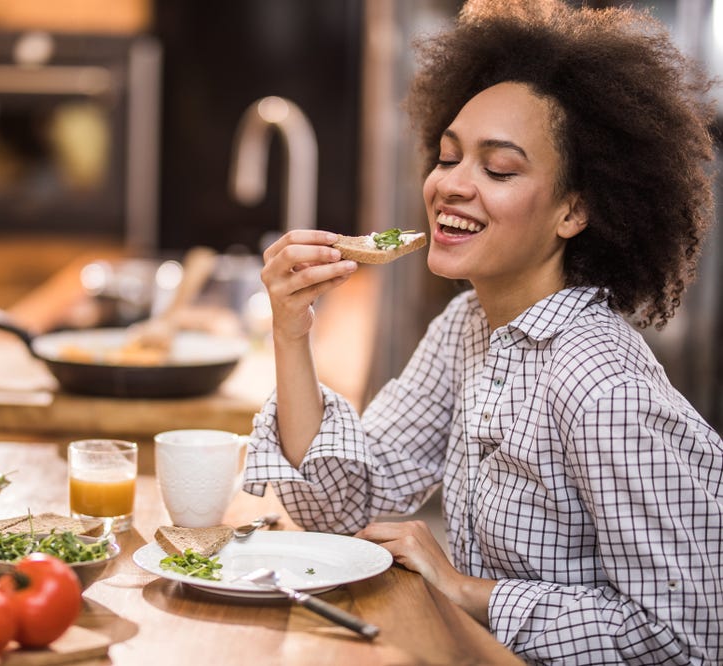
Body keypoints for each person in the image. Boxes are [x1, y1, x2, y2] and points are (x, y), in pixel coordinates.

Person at [242, 1, 723, 663]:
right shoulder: (469, 327)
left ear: (575, 210)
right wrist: (291, 333)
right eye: (447, 158)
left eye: (498, 170)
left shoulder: (599, 384)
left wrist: (472, 591)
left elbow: (686, 638)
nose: (450, 187)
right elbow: (344, 506)